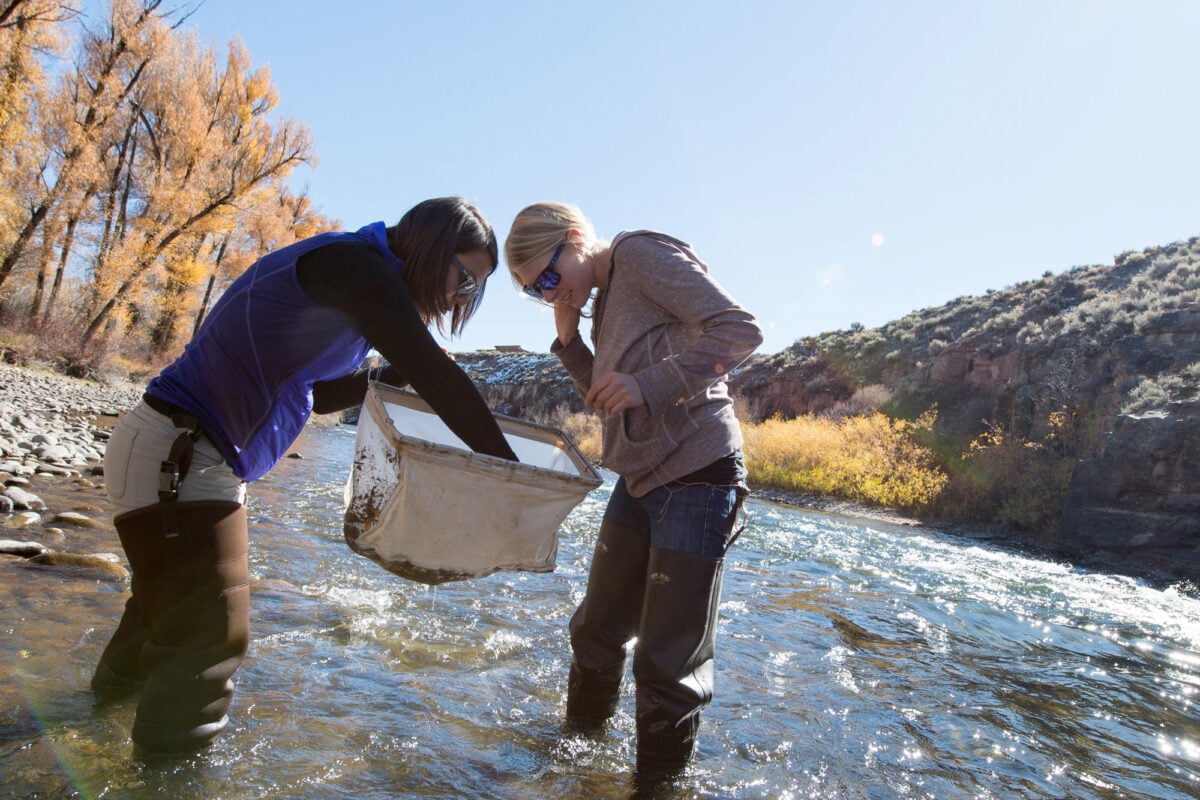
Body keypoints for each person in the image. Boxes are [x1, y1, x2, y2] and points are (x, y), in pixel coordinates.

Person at [93, 196, 518, 756]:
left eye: (474, 289)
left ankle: (87, 735)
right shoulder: (357, 266)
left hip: (179, 456)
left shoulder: (356, 271)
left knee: (156, 626)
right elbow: (437, 377)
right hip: (181, 458)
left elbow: (313, 397)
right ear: (432, 244)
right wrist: (513, 477)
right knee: (208, 644)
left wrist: (385, 374)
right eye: (464, 277)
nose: (460, 296)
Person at [504, 202, 763, 787]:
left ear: (574, 238)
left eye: (548, 278)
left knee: (666, 664)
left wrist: (646, 383)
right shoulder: (603, 295)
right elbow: (608, 395)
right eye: (534, 293)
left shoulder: (638, 254)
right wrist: (569, 340)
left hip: (699, 472)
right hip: (640, 478)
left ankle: (657, 789)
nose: (548, 295)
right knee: (596, 631)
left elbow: (740, 331)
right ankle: (573, 774)